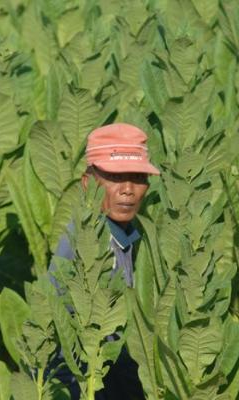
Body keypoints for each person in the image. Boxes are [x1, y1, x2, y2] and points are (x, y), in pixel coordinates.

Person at [48, 122, 160, 399]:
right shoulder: (82, 244)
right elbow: (57, 345)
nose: (128, 189)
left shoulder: (129, 235)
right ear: (88, 182)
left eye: (137, 177)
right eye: (115, 177)